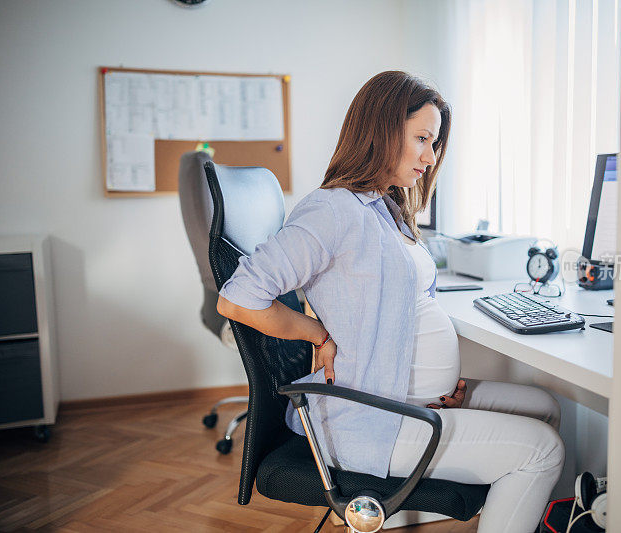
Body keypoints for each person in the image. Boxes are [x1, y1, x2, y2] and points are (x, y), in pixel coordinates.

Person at [216, 71, 564, 533]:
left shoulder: (379, 205)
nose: (430, 155)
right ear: (380, 128)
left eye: (435, 142)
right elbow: (238, 300)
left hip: (404, 397)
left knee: (544, 405)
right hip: (371, 421)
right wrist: (315, 332)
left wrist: (427, 384)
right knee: (542, 448)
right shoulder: (332, 210)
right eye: (421, 138)